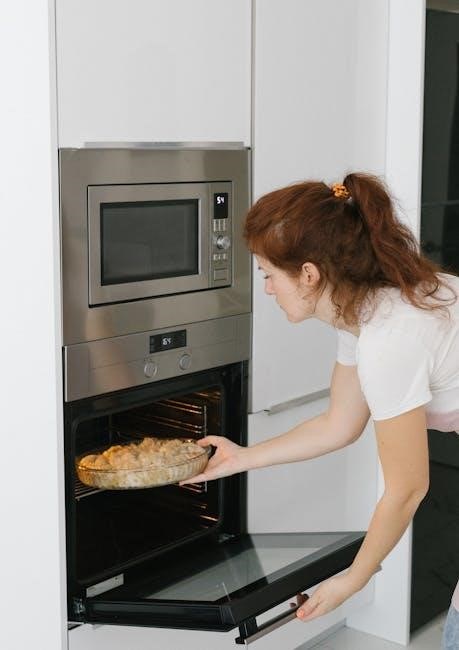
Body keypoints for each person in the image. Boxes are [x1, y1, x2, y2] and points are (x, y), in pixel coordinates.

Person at [180, 173, 459, 649]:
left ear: (309, 274)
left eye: (269, 274)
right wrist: (243, 457)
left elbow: (408, 488)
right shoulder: (362, 310)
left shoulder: (390, 339)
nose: (268, 288)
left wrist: (354, 578)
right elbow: (339, 424)